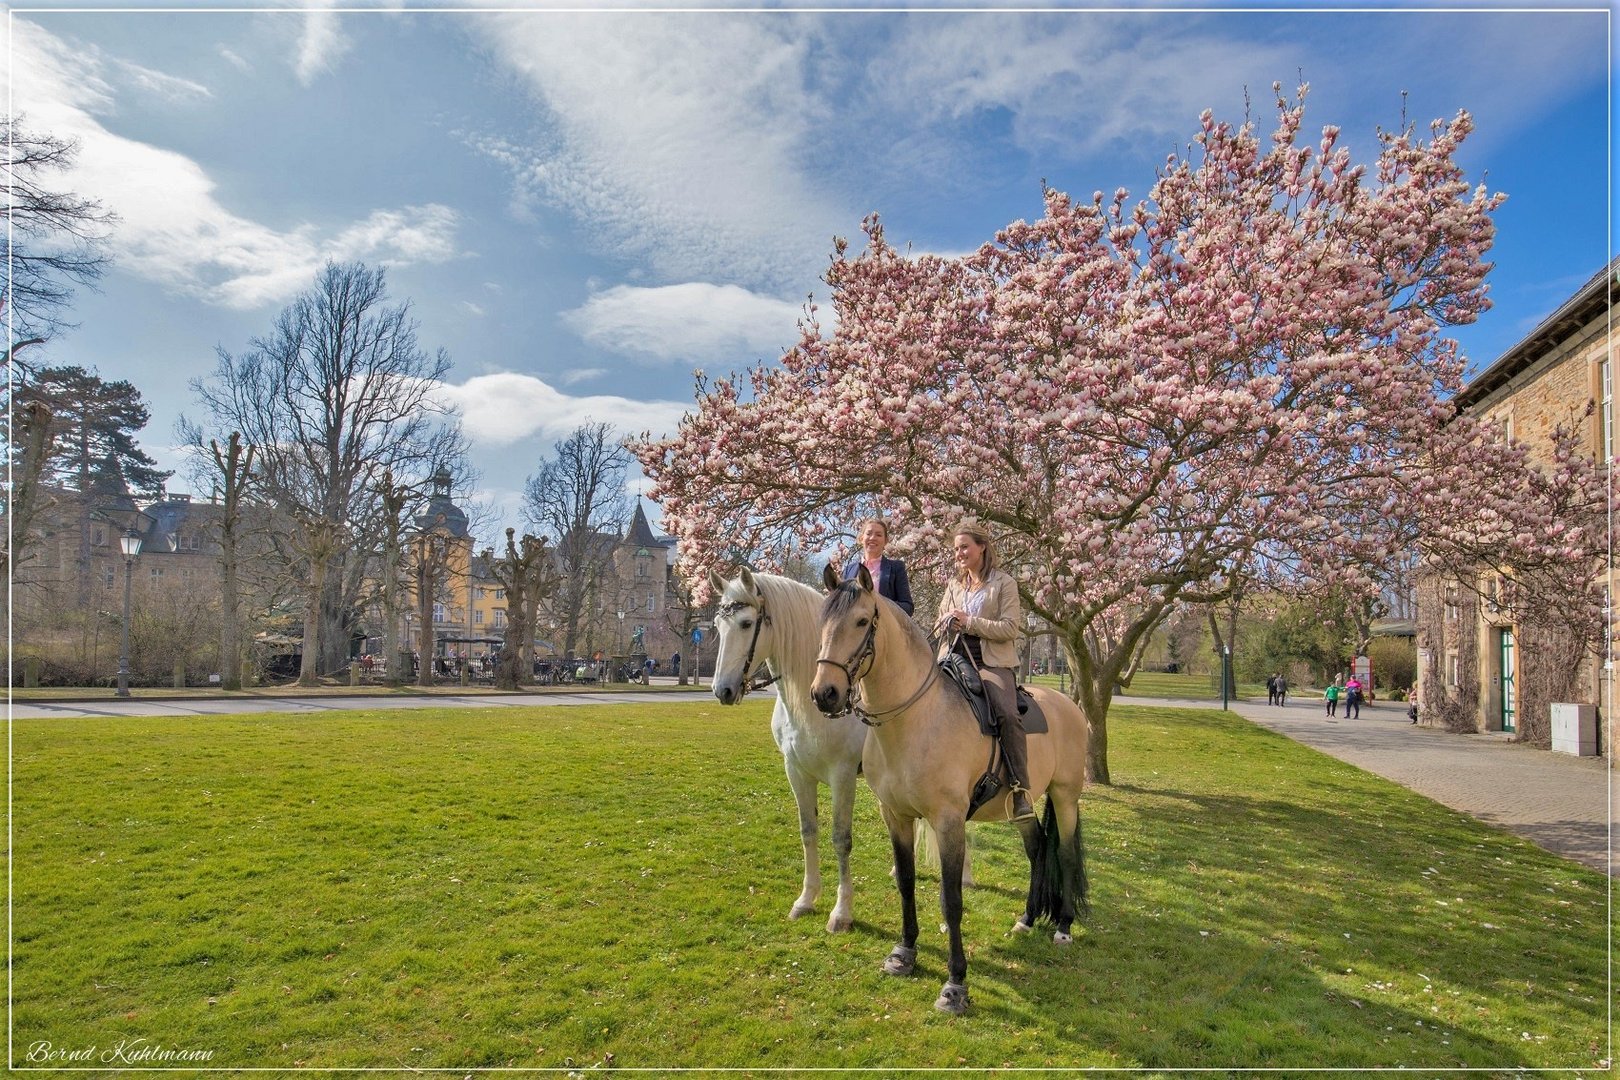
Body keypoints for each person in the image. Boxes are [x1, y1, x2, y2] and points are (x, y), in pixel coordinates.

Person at [932, 520, 1034, 822]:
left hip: (990, 663)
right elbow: (939, 621)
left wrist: (970, 622)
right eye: (956, 549)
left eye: (965, 547)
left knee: (1006, 713)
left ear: (982, 547)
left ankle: (1021, 791)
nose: (959, 553)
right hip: (952, 658)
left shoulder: (1004, 583)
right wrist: (947, 621)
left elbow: (1010, 628)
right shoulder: (953, 585)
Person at [842, 517, 914, 616]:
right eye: (868, 533)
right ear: (861, 538)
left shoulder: (896, 568)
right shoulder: (848, 571)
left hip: (885, 629)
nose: (872, 538)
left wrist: (879, 604)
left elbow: (908, 608)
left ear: (885, 541)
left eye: (879, 535)